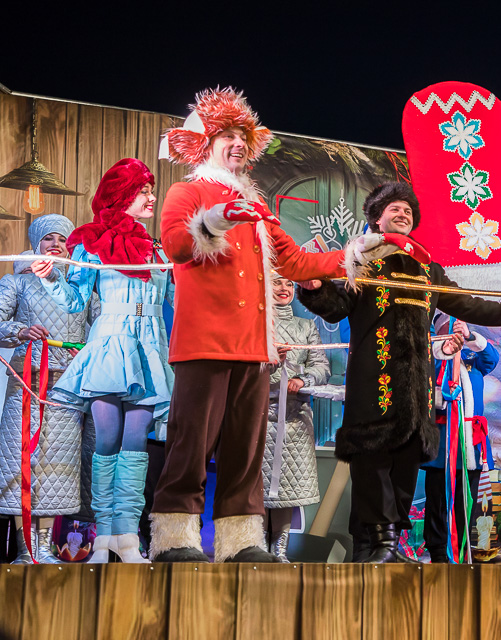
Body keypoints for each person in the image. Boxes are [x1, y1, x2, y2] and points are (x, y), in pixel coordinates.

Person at [298, 181, 501, 564]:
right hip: (373, 383)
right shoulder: (359, 260)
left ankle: (389, 546)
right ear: (377, 219)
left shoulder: (428, 269)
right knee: (372, 463)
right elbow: (335, 306)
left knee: (404, 467)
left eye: (407, 210)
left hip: (415, 390)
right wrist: (315, 287)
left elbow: (467, 305)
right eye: (394, 208)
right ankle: (377, 546)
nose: (403, 213)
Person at [150, 87, 346, 564]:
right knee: (191, 446)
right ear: (207, 144)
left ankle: (240, 541)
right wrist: (217, 218)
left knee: (245, 452)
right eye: (227, 136)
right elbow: (176, 244)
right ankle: (174, 538)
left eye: (243, 137)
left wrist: (359, 253)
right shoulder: (187, 192)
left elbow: (297, 263)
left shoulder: (257, 208)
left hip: (255, 348)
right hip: (204, 344)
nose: (237, 144)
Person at [31, 160, 174, 564]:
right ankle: (103, 537)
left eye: (151, 190)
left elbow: (178, 301)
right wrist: (50, 278)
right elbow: (75, 300)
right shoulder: (92, 244)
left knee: (136, 443)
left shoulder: (159, 249)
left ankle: (126, 537)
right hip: (110, 346)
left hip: (149, 348)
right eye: (144, 191)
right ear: (122, 195)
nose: (152, 197)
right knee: (107, 442)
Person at [0, 215, 94, 563]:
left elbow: (103, 326)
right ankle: (25, 549)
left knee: (57, 469)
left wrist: (89, 348)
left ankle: (44, 546)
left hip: (67, 387)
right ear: (36, 243)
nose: (56, 244)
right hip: (26, 384)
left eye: (62, 239)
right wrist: (20, 331)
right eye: (48, 238)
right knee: (21, 462)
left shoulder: (81, 288)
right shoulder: (16, 283)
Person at [260, 275, 331, 562]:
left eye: (289, 284)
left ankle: (279, 551)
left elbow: (322, 365)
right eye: (277, 283)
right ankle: (255, 547)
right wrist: (268, 361)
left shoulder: (306, 326)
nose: (284, 289)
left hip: (296, 419)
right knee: (256, 488)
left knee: (287, 489)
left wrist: (303, 379)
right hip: (259, 416)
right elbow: (240, 367)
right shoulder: (256, 324)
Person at [423, 317, 500, 563]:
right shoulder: (432, 357)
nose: (455, 328)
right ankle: (438, 553)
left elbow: (492, 359)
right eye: (450, 324)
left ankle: (460, 551)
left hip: (470, 444)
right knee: (437, 501)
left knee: (466, 501)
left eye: (459, 324)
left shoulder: (470, 357)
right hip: (443, 442)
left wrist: (470, 337)